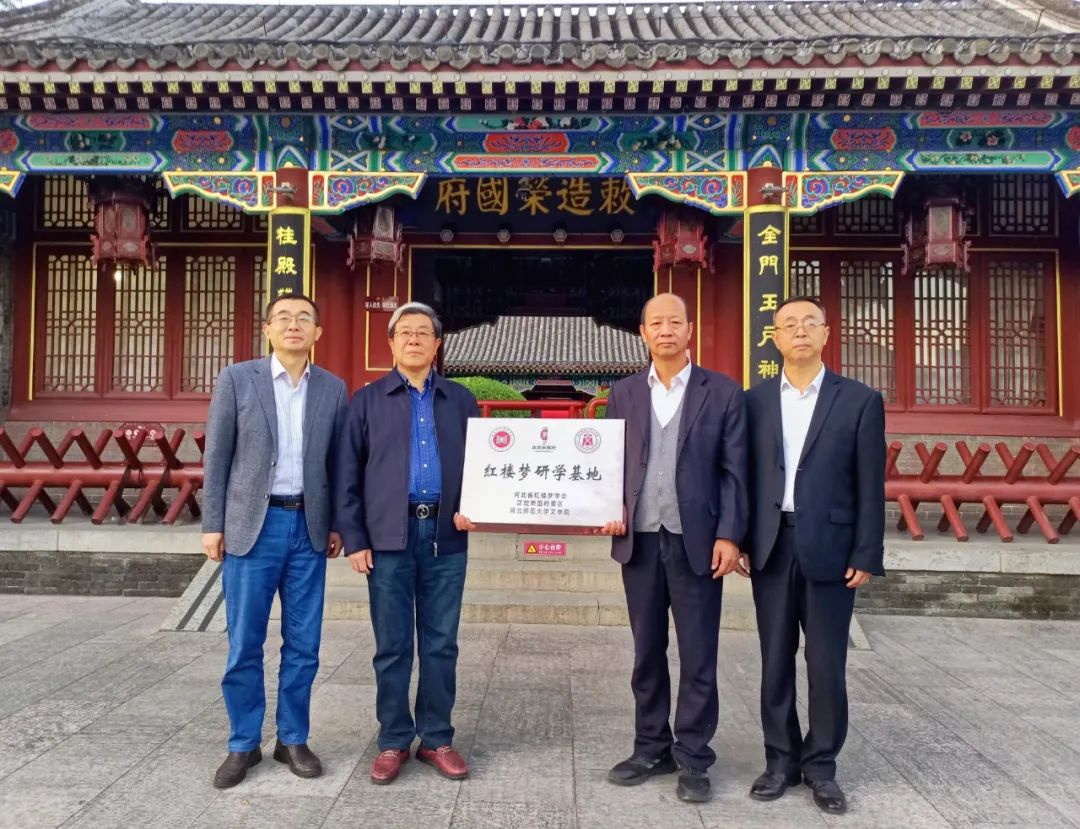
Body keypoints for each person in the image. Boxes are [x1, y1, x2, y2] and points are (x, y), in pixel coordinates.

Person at [600, 292, 749, 803]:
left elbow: (734, 472)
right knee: (646, 651)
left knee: (698, 652)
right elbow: (609, 463)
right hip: (639, 541)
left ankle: (694, 757)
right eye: (656, 323)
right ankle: (650, 747)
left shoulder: (723, 392)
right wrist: (605, 509)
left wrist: (730, 535)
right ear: (643, 333)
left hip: (698, 541)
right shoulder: (623, 393)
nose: (665, 330)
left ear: (690, 330)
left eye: (674, 322)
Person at [740, 295, 885, 815]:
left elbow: (871, 483)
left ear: (826, 333)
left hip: (832, 548)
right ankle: (779, 761)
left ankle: (821, 766)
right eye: (788, 325)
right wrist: (739, 538)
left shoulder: (860, 401)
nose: (799, 331)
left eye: (809, 323)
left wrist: (867, 551)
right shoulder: (753, 402)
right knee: (775, 660)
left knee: (826, 665)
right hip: (772, 545)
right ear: (775, 339)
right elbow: (743, 478)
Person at [202, 292, 348, 789]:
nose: (293, 325)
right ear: (267, 329)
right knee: (245, 641)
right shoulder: (237, 379)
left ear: (317, 332)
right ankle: (243, 742)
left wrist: (337, 523)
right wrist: (213, 524)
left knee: (304, 643)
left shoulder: (332, 388)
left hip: (308, 526)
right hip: (252, 527)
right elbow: (217, 456)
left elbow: (337, 462)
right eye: (283, 318)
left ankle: (292, 738)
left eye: (304, 318)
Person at [335, 301, 479, 786]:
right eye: (405, 332)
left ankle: (436, 738)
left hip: (445, 536)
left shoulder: (460, 400)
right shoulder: (367, 401)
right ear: (391, 343)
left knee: (441, 644)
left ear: (437, 345)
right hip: (387, 539)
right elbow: (347, 475)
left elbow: (483, 468)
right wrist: (355, 538)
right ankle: (394, 739)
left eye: (423, 333)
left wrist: (477, 507)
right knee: (393, 645)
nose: (414, 339)